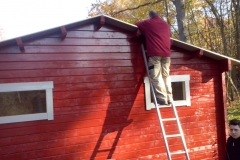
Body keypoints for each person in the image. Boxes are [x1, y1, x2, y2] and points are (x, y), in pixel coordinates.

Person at [135, 10, 172, 105]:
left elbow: (136, 24)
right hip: (167, 55)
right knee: (166, 76)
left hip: (155, 54)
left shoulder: (148, 22)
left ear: (149, 16)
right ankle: (169, 98)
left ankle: (162, 98)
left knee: (156, 76)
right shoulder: (166, 25)